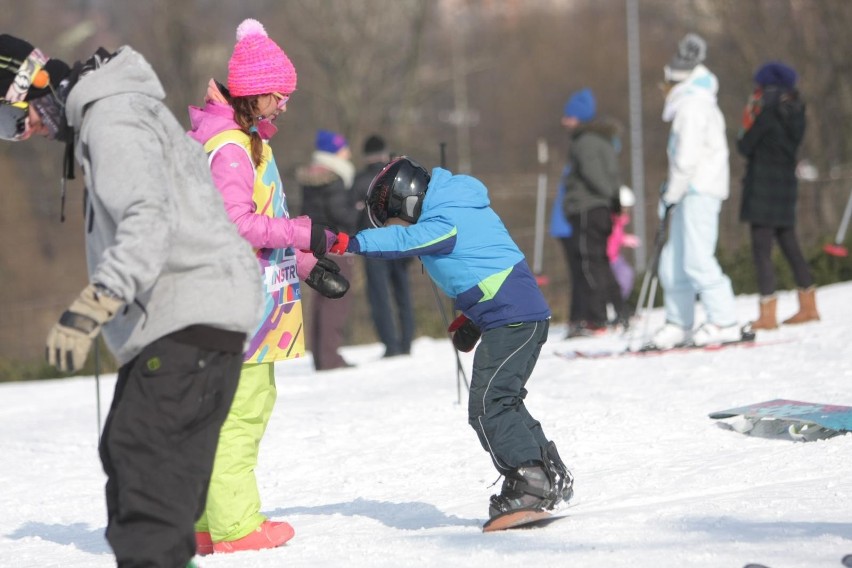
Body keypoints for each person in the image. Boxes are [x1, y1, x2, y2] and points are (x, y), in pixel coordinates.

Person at [0, 33, 265, 567]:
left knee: (144, 490)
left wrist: (95, 305)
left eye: (7, 120)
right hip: (196, 320)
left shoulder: (111, 119)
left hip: (188, 317)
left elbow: (148, 218)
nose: (18, 135)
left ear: (33, 86)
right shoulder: (119, 112)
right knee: (140, 476)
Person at [331, 157, 573, 520]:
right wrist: (473, 318)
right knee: (503, 399)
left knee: (489, 405)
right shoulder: (456, 205)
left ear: (408, 202)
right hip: (512, 315)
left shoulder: (445, 219)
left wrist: (347, 242)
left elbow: (405, 241)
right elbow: (484, 265)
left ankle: (529, 480)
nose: (401, 226)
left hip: (513, 319)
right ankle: (548, 473)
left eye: (397, 219)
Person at [187, 19, 349, 555]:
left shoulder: (240, 140)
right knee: (243, 412)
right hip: (240, 307)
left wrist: (303, 262)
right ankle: (236, 528)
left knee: (227, 410)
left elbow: (257, 222)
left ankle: (209, 523)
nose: (283, 106)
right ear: (255, 93)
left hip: (241, 297)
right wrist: (304, 231)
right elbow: (237, 224)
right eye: (279, 96)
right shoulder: (232, 147)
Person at [649, 32, 742, 349]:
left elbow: (686, 159)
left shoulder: (693, 107)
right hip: (686, 192)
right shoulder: (691, 105)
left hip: (699, 191)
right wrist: (672, 194)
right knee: (673, 261)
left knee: (697, 259)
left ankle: (725, 320)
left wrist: (670, 194)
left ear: (676, 82)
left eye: (666, 86)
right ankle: (679, 322)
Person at [737, 61, 819, 329]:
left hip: (763, 189)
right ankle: (809, 305)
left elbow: (745, 145)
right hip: (785, 188)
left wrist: (749, 118)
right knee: (790, 244)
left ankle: (767, 312)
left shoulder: (767, 113)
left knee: (762, 250)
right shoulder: (797, 112)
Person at [560, 88, 627, 337]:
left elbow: (594, 175)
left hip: (588, 208)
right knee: (600, 262)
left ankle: (596, 318)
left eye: (568, 116)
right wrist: (614, 201)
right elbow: (611, 176)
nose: (564, 121)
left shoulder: (584, 142)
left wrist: (607, 197)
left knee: (589, 264)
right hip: (600, 209)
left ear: (579, 117)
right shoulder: (602, 140)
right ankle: (618, 313)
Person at [297, 129, 359, 370]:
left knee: (320, 301)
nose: (349, 153)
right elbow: (340, 214)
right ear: (334, 152)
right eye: (344, 148)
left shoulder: (310, 177)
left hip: (314, 245)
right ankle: (330, 357)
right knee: (337, 300)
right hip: (336, 245)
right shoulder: (335, 177)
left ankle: (321, 356)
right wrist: (360, 209)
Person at [351, 134, 415, 357]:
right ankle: (407, 340)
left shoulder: (360, 181)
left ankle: (391, 344)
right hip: (401, 241)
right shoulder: (399, 175)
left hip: (374, 246)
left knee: (380, 297)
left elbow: (352, 217)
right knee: (403, 293)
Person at [607, 186, 640, 317]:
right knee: (613, 282)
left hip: (615, 257)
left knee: (627, 275)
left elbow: (616, 237)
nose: (626, 211)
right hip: (606, 259)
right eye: (624, 207)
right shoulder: (609, 219)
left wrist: (625, 239)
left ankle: (620, 304)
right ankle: (613, 305)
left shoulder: (620, 221)